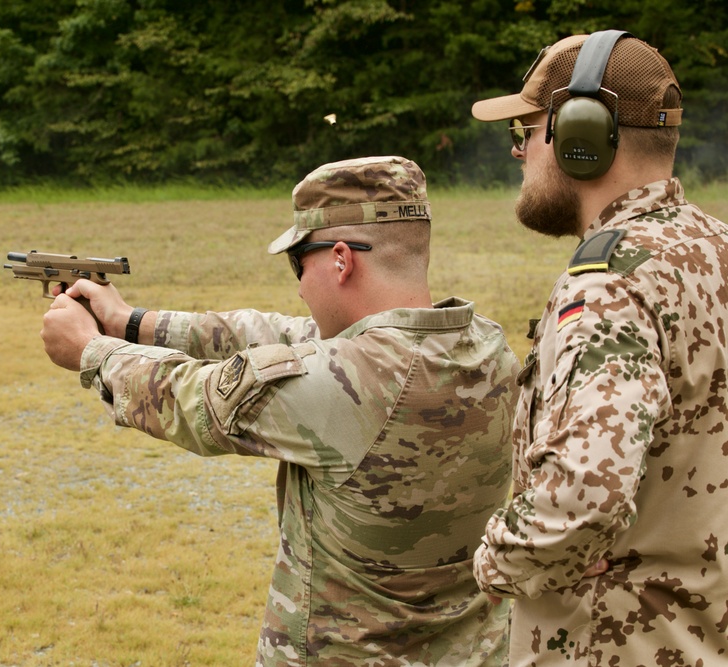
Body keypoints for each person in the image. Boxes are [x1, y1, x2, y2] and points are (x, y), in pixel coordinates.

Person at [39, 155, 519, 666]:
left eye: (299, 262)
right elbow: (280, 335)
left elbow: (190, 396)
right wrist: (129, 321)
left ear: (340, 259)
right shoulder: (484, 346)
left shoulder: (345, 380)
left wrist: (91, 350)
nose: (298, 284)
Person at [471, 30, 728, 666]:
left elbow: (582, 496)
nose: (520, 154)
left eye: (526, 132)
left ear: (581, 137)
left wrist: (493, 559)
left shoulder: (612, 284)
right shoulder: (714, 249)